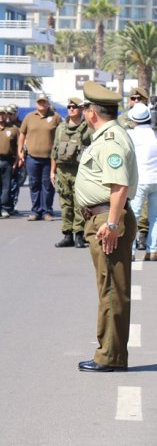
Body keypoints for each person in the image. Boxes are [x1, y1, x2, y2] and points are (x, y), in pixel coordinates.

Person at [75, 81, 137, 372]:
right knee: (108, 287)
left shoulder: (111, 139)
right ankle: (109, 352)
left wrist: (112, 223)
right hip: (101, 217)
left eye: (85, 108)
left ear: (91, 113)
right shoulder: (106, 136)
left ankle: (110, 356)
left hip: (106, 219)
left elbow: (119, 185)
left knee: (111, 289)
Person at [50, 97, 92, 248]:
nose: (71, 109)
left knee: (79, 204)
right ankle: (68, 235)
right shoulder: (61, 128)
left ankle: (79, 234)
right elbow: (54, 151)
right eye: (69, 106)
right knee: (65, 203)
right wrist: (52, 171)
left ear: (81, 109)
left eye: (74, 106)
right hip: (62, 170)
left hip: (80, 170)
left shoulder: (87, 128)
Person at [19, 93, 62, 221]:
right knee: (34, 184)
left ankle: (47, 211)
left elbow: (61, 135)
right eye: (39, 102)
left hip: (50, 158)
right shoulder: (29, 117)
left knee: (48, 185)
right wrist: (20, 151)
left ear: (48, 103)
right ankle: (35, 211)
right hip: (32, 157)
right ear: (36, 104)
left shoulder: (55, 117)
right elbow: (22, 135)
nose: (42, 104)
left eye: (44, 102)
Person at [125, 102, 157, 261]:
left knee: (133, 215)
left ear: (133, 119)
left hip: (139, 180)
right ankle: (153, 250)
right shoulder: (154, 133)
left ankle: (130, 251)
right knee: (155, 217)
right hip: (156, 179)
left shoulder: (130, 134)